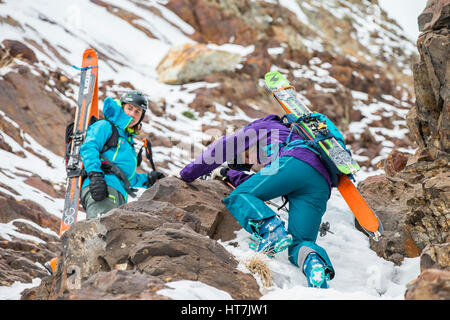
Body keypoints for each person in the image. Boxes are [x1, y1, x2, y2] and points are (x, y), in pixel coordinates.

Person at [179, 113, 351, 288]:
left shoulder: (264, 126)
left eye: (245, 158)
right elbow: (263, 184)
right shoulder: (289, 137)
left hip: (295, 161)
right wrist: (228, 173)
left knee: (239, 196)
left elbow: (221, 148)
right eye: (245, 164)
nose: (250, 163)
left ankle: (272, 232)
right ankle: (314, 265)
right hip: (320, 183)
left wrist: (186, 174)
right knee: (301, 243)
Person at [79, 90, 164, 219]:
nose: (132, 114)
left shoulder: (127, 140)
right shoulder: (105, 126)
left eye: (138, 112)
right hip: (103, 186)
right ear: (122, 106)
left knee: (108, 236)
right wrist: (95, 174)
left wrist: (148, 180)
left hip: (118, 193)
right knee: (100, 234)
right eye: (129, 108)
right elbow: (89, 147)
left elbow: (126, 176)